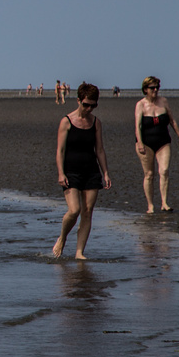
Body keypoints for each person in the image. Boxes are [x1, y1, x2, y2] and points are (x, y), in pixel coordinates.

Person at [54, 82, 111, 259]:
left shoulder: (95, 123)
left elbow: (99, 150)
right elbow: (60, 150)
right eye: (86, 104)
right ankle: (62, 238)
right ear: (78, 100)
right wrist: (61, 173)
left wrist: (106, 172)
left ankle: (79, 252)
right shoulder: (67, 121)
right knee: (74, 210)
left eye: (93, 105)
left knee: (87, 211)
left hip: (91, 171)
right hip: (71, 171)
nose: (89, 108)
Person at [134, 77, 179, 214]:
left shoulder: (163, 101)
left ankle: (164, 203)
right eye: (152, 88)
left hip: (163, 141)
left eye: (157, 87)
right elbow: (138, 126)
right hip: (146, 143)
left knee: (164, 171)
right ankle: (150, 205)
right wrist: (140, 143)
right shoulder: (140, 105)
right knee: (149, 174)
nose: (155, 90)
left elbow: (172, 120)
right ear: (145, 89)